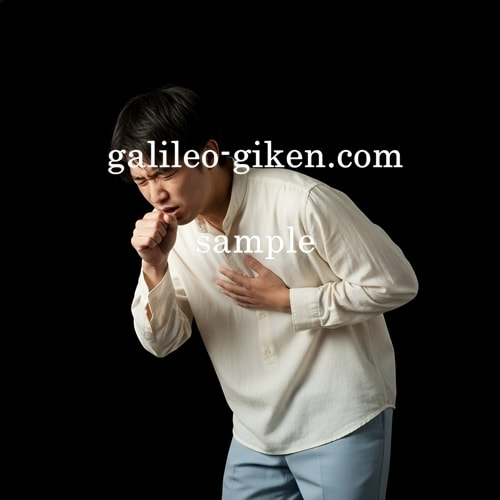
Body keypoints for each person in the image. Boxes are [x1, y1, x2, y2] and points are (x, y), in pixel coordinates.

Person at [109, 84, 418, 500]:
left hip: (338, 420)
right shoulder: (169, 236)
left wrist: (290, 301)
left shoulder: (300, 201)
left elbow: (396, 283)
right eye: (142, 180)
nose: (155, 194)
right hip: (254, 435)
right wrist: (154, 265)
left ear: (208, 154)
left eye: (165, 173)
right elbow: (162, 343)